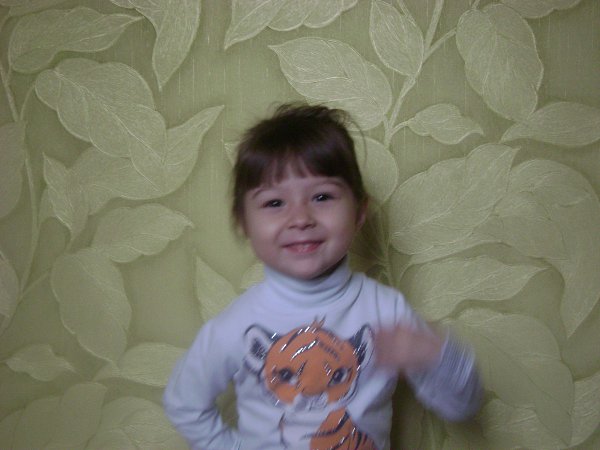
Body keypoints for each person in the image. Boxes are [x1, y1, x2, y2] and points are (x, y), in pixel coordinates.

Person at [163, 103, 482, 450]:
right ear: (244, 222)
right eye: (274, 203)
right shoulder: (237, 325)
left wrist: (439, 355)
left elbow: (461, 407)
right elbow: (184, 404)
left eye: (321, 196)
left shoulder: (386, 311)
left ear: (359, 213)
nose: (301, 218)